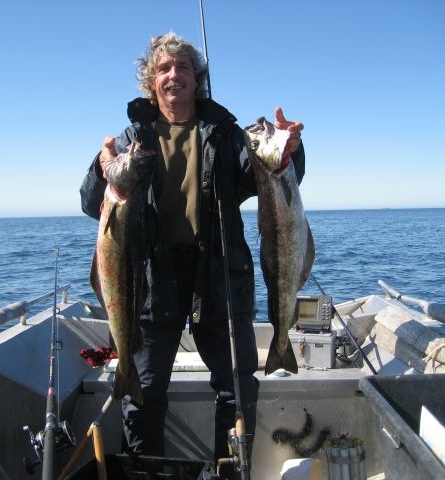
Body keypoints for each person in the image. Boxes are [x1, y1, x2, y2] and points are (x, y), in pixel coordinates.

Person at [80, 32, 304, 478]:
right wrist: (101, 169)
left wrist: (289, 151)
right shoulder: (131, 137)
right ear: (151, 81)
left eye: (183, 67)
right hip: (150, 279)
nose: (174, 75)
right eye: (164, 68)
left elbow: (266, 173)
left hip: (218, 274)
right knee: (142, 392)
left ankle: (231, 473)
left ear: (196, 79)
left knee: (237, 389)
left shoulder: (225, 134)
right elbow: (91, 203)